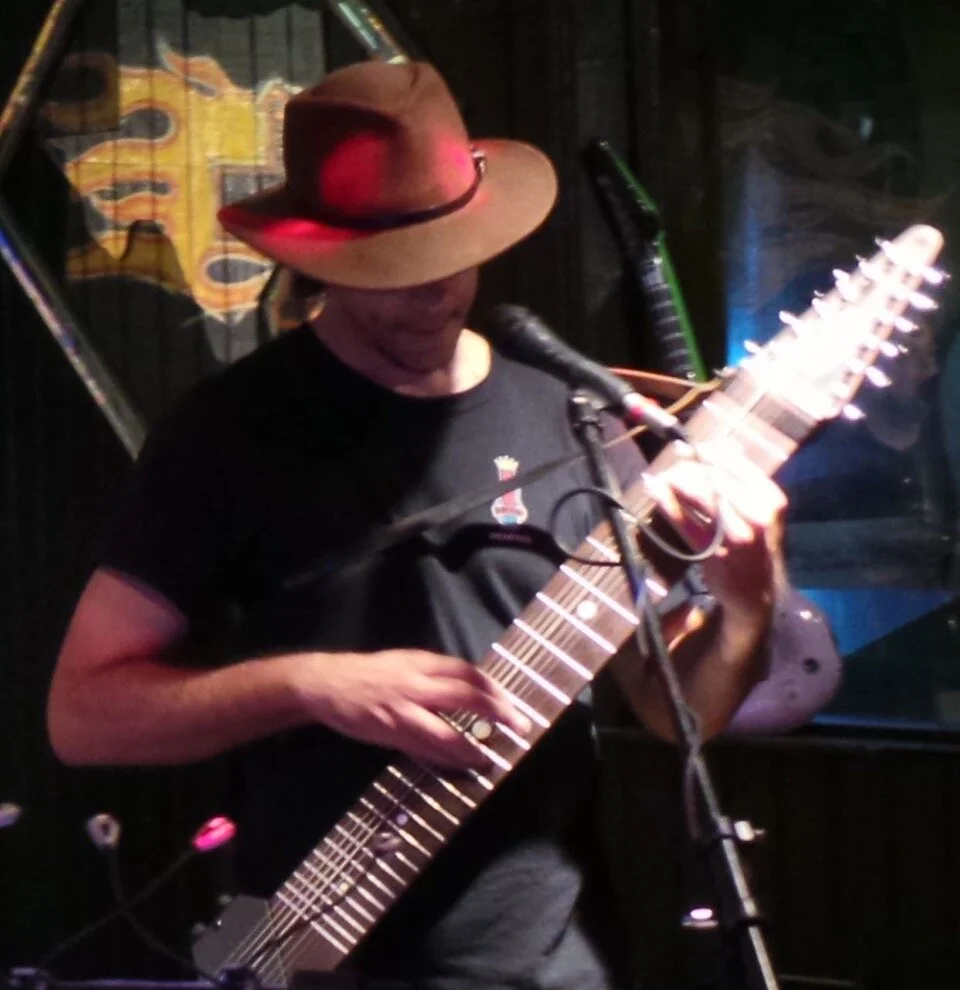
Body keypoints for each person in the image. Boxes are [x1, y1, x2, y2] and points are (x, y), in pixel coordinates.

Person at [47, 61, 786, 990]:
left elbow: (673, 712)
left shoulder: (577, 415)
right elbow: (83, 718)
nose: (435, 291)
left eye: (453, 253)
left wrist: (748, 604)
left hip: (560, 962)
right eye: (396, 269)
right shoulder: (228, 433)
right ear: (320, 258)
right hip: (317, 954)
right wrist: (309, 684)